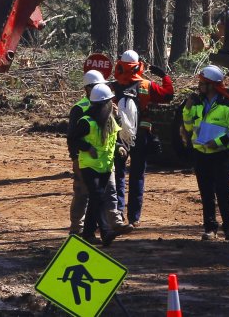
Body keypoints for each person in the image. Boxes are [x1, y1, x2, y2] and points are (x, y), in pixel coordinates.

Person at [111, 49, 174, 227]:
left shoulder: (113, 87)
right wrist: (164, 76)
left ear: (120, 65)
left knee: (119, 176)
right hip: (142, 137)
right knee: (137, 176)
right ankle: (134, 218)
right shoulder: (147, 86)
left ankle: (117, 215)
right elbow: (168, 95)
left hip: (118, 137)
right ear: (139, 66)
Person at [180, 65, 229, 241]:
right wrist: (187, 108)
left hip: (220, 154)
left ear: (212, 85)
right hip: (201, 154)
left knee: (223, 191)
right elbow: (188, 127)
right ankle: (210, 229)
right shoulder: (196, 104)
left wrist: (217, 143)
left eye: (202, 83)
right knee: (206, 193)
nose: (199, 86)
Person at [71, 83, 133, 246]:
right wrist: (87, 147)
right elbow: (73, 139)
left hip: (105, 165)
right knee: (97, 195)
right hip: (89, 165)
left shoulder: (111, 120)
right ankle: (106, 231)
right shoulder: (86, 121)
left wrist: (120, 148)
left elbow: (113, 140)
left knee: (95, 199)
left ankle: (89, 234)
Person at [67, 70, 107, 238]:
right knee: (82, 193)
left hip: (102, 162)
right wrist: (75, 158)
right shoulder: (80, 109)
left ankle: (98, 227)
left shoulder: (105, 105)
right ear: (88, 89)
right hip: (84, 160)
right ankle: (76, 228)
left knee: (99, 195)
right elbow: (72, 137)